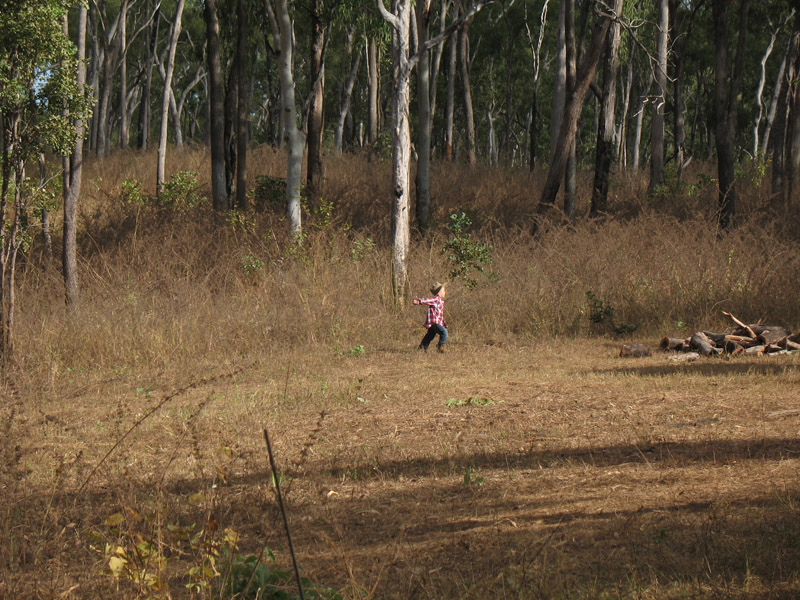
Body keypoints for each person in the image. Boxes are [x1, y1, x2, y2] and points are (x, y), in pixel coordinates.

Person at [413, 282, 448, 353]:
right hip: (435, 322)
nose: (445, 292)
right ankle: (441, 347)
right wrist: (418, 301)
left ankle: (422, 348)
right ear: (440, 292)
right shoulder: (436, 299)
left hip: (435, 323)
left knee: (430, 335)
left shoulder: (440, 300)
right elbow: (427, 300)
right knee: (444, 332)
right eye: (444, 291)